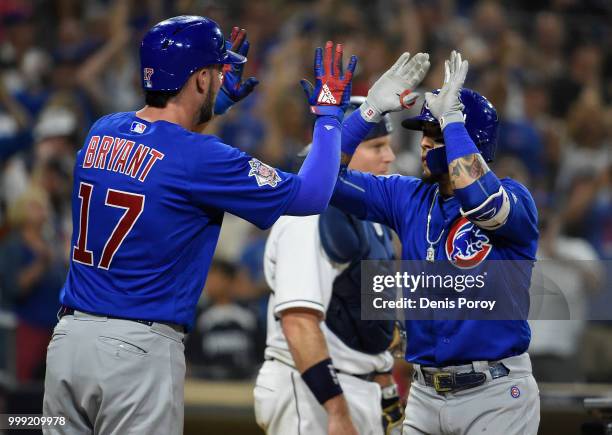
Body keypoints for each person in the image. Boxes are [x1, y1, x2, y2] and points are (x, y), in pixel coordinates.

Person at [42, 15, 357, 435]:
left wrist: (215, 104)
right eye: (213, 72)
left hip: (67, 343)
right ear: (200, 79)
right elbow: (313, 194)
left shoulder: (104, 129)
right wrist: (330, 116)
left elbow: (161, 150)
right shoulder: (202, 157)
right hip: (135, 351)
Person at [331, 51, 540, 435]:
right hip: (424, 395)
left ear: (466, 139)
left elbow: (482, 202)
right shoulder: (406, 196)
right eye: (424, 134)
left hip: (494, 394)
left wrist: (454, 123)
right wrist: (368, 113)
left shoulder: (516, 200)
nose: (424, 144)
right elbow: (323, 178)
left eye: (435, 134)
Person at [255, 52, 431, 435]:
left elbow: (372, 322)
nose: (388, 157)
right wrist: (335, 410)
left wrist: (384, 382)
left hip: (360, 387)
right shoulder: (309, 216)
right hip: (312, 389)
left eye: (388, 145)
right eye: (376, 147)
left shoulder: (375, 217)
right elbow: (299, 321)